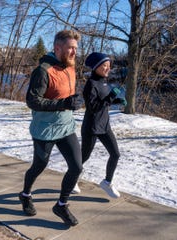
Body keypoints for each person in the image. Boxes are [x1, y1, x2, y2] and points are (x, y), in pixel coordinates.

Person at [19, 30, 83, 227]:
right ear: (58, 48)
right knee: (39, 166)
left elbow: (65, 94)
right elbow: (32, 101)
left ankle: (62, 204)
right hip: (44, 130)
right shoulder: (43, 71)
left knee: (77, 166)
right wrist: (63, 103)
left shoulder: (71, 67)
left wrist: (76, 100)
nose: (74, 52)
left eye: (76, 48)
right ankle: (25, 194)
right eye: (71, 48)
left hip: (65, 127)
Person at [73, 52, 126, 198]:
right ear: (96, 67)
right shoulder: (90, 85)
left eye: (109, 65)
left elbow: (104, 102)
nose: (108, 68)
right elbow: (94, 108)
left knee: (115, 154)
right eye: (104, 65)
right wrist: (111, 97)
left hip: (104, 125)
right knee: (84, 157)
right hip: (91, 127)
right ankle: (72, 179)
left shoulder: (104, 82)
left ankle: (107, 182)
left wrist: (117, 101)